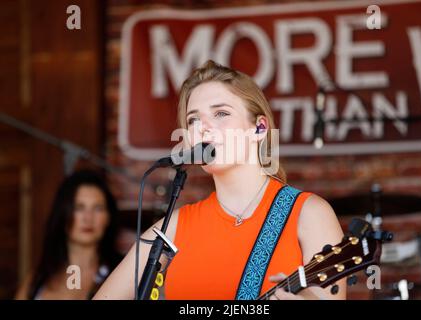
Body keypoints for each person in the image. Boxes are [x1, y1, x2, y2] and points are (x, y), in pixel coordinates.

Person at [94, 60, 346, 300]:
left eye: (221, 113)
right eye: (193, 119)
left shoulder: (308, 214)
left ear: (259, 128)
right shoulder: (173, 227)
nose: (203, 127)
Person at [15, 170, 123, 299]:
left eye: (98, 208)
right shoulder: (37, 280)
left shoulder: (121, 274)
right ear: (63, 214)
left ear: (108, 217)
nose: (88, 218)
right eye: (79, 207)